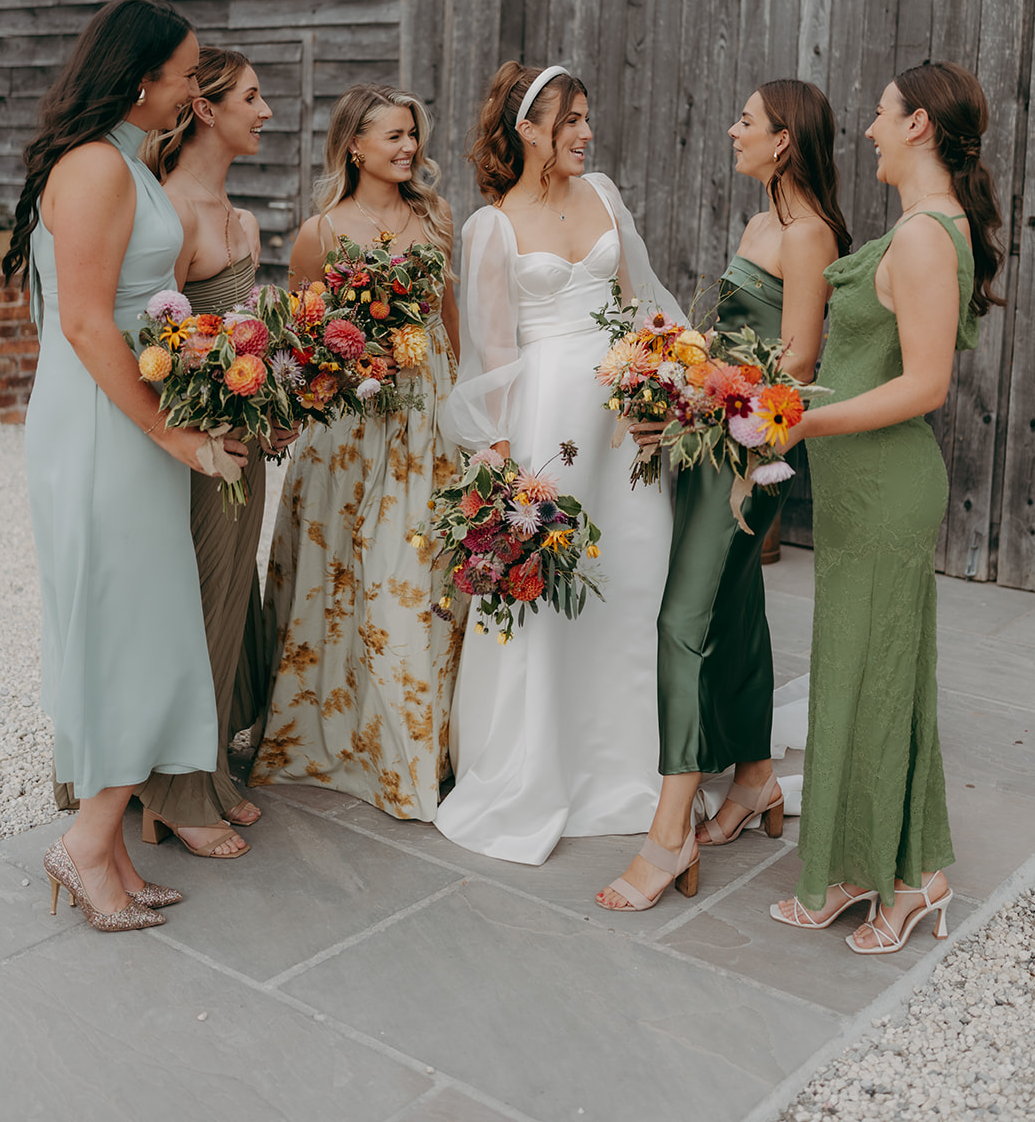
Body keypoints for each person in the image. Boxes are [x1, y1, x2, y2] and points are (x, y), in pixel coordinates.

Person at [4, 0, 248, 931]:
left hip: (117, 419)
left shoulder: (123, 158)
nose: (194, 89)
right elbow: (83, 322)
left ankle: (102, 848)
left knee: (144, 629)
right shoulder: (98, 167)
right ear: (142, 75)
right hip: (108, 430)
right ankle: (83, 843)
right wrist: (171, 432)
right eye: (188, 73)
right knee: (127, 634)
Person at [598, 80, 850, 911]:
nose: (731, 128)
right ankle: (753, 778)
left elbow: (797, 365)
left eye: (745, 120)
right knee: (736, 606)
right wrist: (680, 379)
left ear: (782, 141)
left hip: (753, 450)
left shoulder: (809, 234)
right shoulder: (758, 225)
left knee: (685, 618)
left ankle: (668, 832)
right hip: (711, 438)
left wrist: (707, 397)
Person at [771, 62, 1003, 953]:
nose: (866, 129)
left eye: (878, 115)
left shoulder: (921, 238)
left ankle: (910, 880)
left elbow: (925, 384)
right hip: (857, 489)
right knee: (854, 672)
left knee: (878, 676)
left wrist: (803, 420)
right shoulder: (917, 226)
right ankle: (850, 867)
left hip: (885, 489)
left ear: (916, 128)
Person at [434, 62, 682, 866]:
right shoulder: (491, 228)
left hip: (621, 425)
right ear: (527, 129)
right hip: (547, 424)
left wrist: (664, 383)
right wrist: (505, 481)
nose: (584, 132)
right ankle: (536, 769)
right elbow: (489, 358)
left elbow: (644, 303)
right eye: (568, 120)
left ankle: (622, 767)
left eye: (585, 117)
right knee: (552, 590)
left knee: (632, 581)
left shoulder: (604, 196)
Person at [250, 84, 465, 820]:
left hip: (423, 417)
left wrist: (461, 409)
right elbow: (303, 341)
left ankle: (412, 751)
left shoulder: (434, 218)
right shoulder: (322, 232)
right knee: (340, 574)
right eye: (393, 136)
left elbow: (449, 322)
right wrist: (340, 374)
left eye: (412, 134)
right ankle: (335, 735)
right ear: (355, 146)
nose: (408, 148)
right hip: (349, 425)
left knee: (409, 571)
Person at [137, 44, 285, 859]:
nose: (265, 113)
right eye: (253, 99)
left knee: (232, 594)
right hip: (198, 450)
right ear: (206, 108)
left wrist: (275, 400)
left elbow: (240, 342)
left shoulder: (243, 218)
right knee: (197, 599)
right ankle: (172, 789)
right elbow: (154, 344)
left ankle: (209, 770)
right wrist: (209, 421)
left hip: (246, 440)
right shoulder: (168, 215)